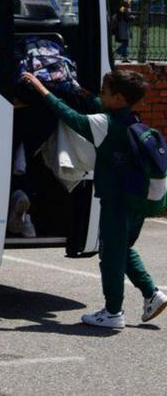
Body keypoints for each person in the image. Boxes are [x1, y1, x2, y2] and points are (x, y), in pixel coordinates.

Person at [22, 70, 167, 328]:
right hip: (138, 200)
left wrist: (41, 89)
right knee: (121, 247)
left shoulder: (104, 124)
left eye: (105, 92)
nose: (101, 96)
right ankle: (152, 294)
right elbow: (99, 105)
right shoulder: (130, 118)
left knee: (111, 254)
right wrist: (82, 92)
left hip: (117, 200)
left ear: (119, 98)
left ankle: (112, 313)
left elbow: (71, 118)